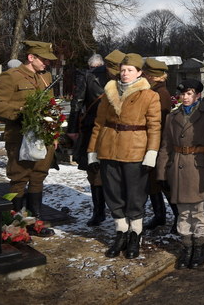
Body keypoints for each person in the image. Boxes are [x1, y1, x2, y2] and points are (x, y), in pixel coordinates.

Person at [87, 53, 162, 259]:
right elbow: (99, 124)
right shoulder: (110, 91)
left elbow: (154, 127)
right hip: (109, 148)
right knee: (113, 193)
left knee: (135, 196)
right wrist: (92, 151)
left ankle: (135, 235)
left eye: (130, 70)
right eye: (122, 70)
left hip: (135, 150)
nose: (125, 73)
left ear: (139, 73)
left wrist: (151, 153)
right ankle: (120, 232)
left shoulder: (149, 95)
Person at [0, 40, 59, 237]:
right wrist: (20, 111)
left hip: (42, 137)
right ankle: (15, 224)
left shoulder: (45, 77)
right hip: (19, 137)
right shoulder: (11, 77)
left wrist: (54, 133)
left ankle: (35, 222)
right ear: (31, 57)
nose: (47, 64)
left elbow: (51, 106)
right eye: (43, 60)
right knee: (19, 179)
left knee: (38, 177)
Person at [156, 79, 204, 270]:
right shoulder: (172, 117)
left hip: (199, 169)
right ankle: (187, 247)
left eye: (190, 93)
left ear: (198, 95)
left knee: (199, 213)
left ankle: (199, 248)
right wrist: (161, 173)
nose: (185, 97)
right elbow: (166, 146)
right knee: (183, 214)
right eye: (183, 94)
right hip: (177, 169)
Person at [69, 53, 110, 226]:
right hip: (114, 130)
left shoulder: (86, 75)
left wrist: (72, 129)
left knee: (94, 171)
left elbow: (77, 103)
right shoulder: (119, 74)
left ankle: (99, 212)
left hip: (92, 128)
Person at [142, 57, 176, 232]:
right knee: (152, 183)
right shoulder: (154, 90)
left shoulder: (160, 93)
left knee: (163, 183)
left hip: (158, 143)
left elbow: (161, 121)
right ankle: (159, 215)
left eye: (147, 73)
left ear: (152, 76)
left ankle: (177, 218)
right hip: (152, 143)